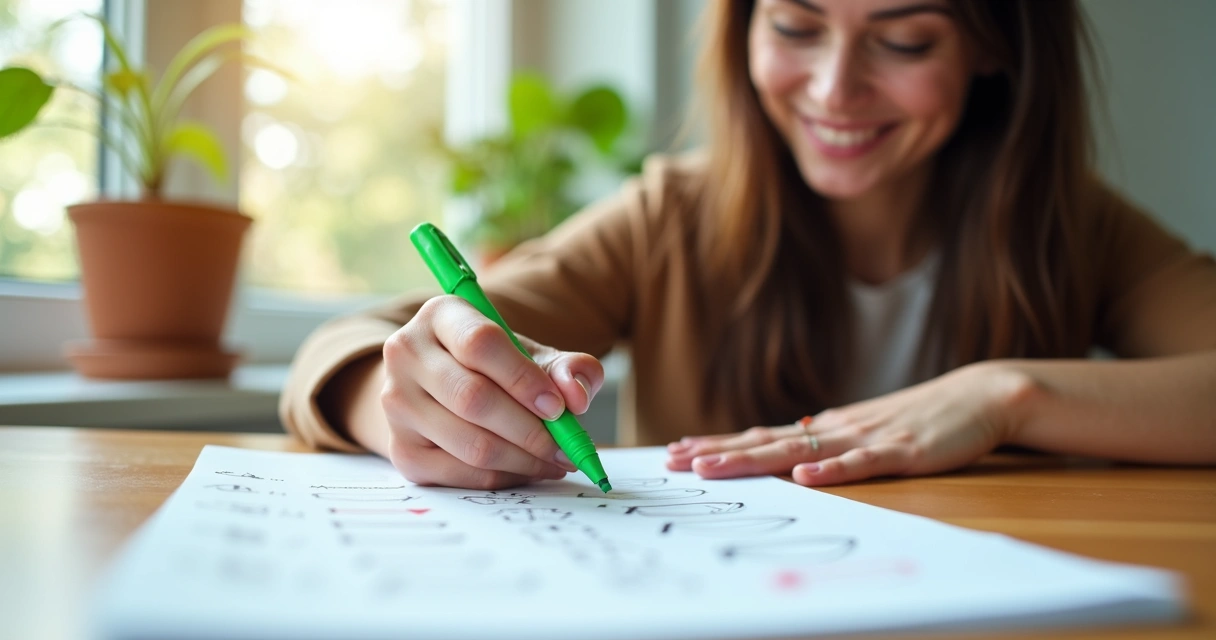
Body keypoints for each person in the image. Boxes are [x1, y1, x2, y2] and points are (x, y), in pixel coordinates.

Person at [281, 0, 1216, 490]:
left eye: (904, 42)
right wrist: (386, 390)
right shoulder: (668, 220)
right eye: (796, 27)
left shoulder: (1070, 225)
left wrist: (1006, 395)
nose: (834, 87)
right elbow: (352, 342)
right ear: (744, 28)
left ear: (992, 51)